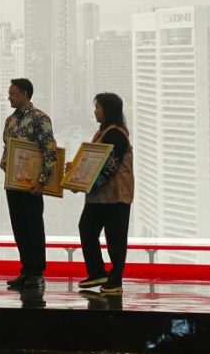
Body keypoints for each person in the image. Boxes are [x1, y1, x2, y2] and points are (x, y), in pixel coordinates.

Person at [0, 78, 57, 289]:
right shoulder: (10, 120)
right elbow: (7, 147)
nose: (9, 97)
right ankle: (25, 270)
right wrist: (4, 162)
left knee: (33, 228)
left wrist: (41, 181)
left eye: (13, 94)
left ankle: (36, 272)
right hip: (14, 183)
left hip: (32, 185)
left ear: (25, 94)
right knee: (19, 228)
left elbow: (49, 151)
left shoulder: (40, 119)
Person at [75, 92, 133, 295]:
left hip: (115, 197)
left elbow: (109, 168)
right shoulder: (103, 133)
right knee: (87, 229)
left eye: (97, 107)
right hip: (98, 197)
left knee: (115, 240)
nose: (95, 111)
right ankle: (97, 272)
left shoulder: (116, 135)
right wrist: (76, 172)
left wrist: (83, 182)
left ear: (107, 110)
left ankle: (115, 281)